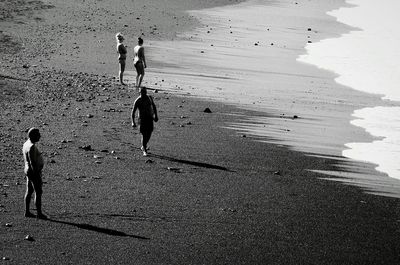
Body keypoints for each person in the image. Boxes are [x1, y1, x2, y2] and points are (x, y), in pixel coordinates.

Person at [22, 128, 47, 219]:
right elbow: (32, 162)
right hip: (33, 172)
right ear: (33, 136)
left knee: (29, 191)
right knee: (38, 191)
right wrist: (37, 174)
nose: (39, 136)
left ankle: (27, 212)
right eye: (38, 134)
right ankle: (39, 213)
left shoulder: (26, 144)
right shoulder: (31, 146)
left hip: (27, 170)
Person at [131, 87, 158, 156]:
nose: (144, 94)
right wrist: (133, 122)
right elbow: (133, 112)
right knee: (143, 134)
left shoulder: (149, 98)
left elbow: (154, 106)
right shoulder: (138, 100)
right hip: (142, 119)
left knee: (149, 132)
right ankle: (144, 149)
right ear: (140, 93)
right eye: (142, 92)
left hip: (150, 118)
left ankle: (144, 145)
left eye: (145, 92)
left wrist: (156, 115)